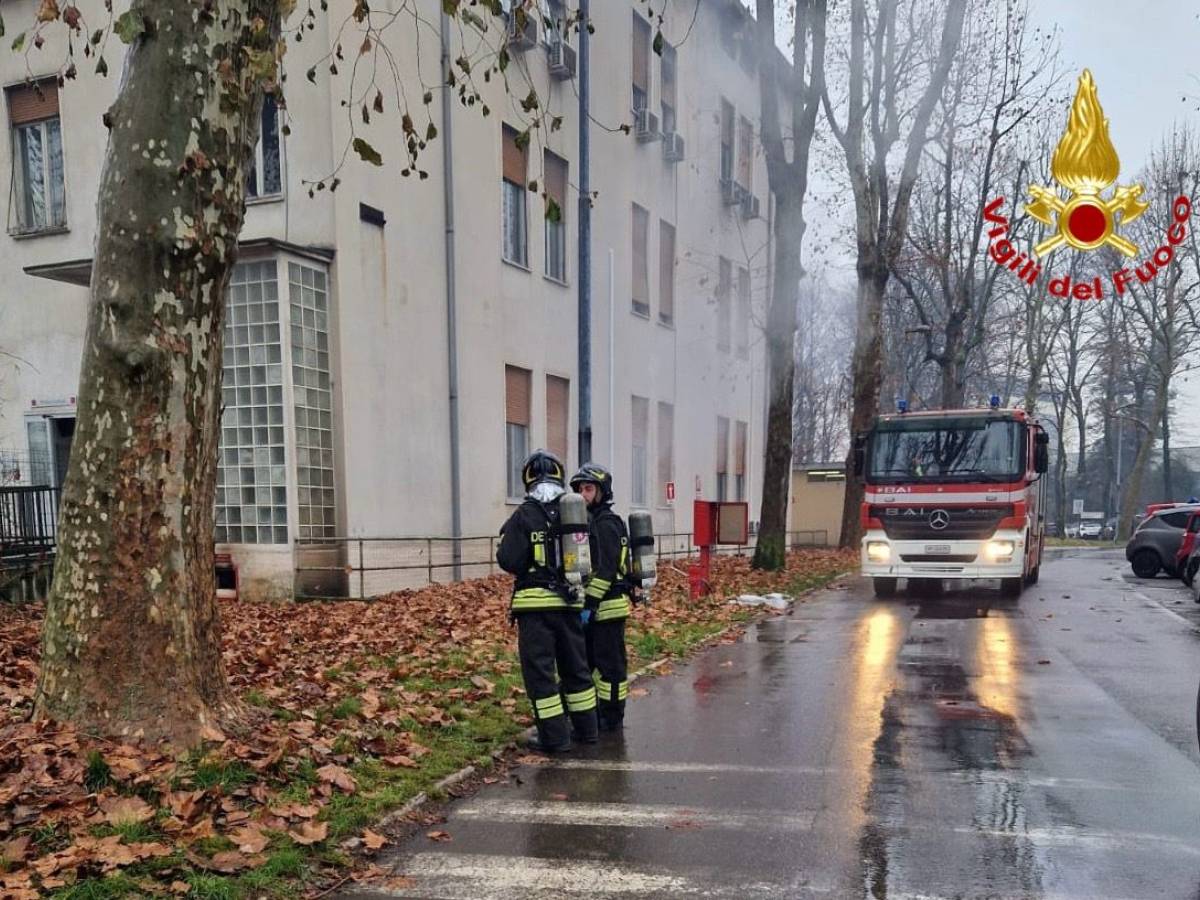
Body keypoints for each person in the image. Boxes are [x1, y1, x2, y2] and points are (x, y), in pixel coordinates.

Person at [497, 449, 598, 753]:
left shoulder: (523, 515)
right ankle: (586, 731)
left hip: (534, 608)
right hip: (569, 603)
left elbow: (510, 560)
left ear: (526, 477)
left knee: (541, 674)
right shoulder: (576, 513)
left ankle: (554, 738)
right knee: (576, 669)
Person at [569, 463, 633, 732]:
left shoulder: (606, 524)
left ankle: (612, 717)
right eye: (580, 489)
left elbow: (606, 570)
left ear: (601, 492)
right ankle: (589, 716)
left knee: (611, 670)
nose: (582, 494)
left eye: (588, 488)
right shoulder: (591, 522)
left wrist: (590, 604)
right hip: (594, 609)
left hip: (607, 608)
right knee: (586, 664)